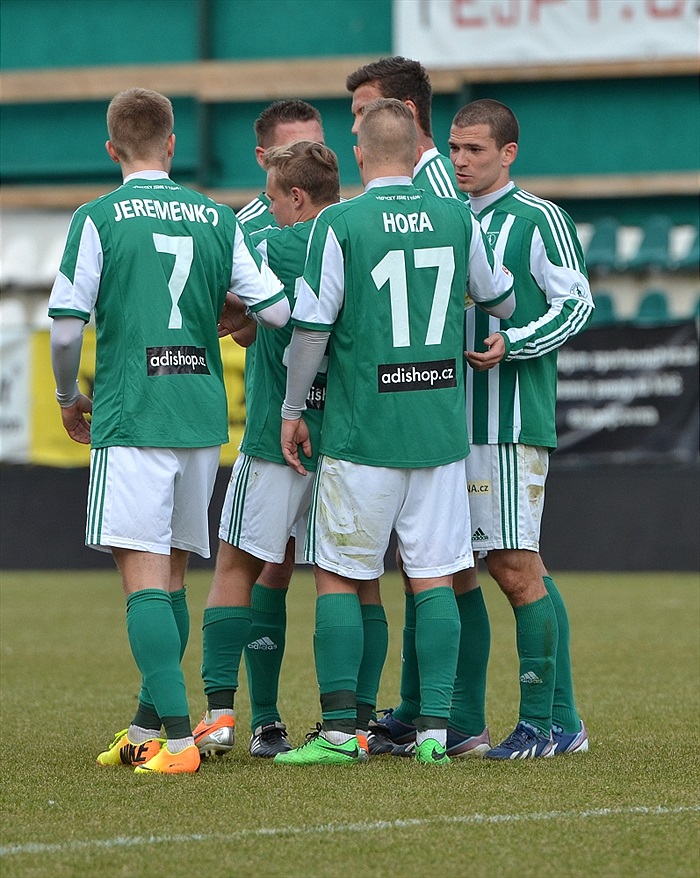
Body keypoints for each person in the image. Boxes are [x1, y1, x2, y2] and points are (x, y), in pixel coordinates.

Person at [48, 87, 289, 775]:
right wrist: (234, 313)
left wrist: (67, 395)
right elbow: (275, 310)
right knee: (174, 575)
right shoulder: (216, 217)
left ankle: (179, 742)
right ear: (173, 143)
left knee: (142, 577)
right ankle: (144, 729)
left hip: (134, 412)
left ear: (111, 148)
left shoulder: (99, 216)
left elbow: (65, 330)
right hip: (199, 415)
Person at [275, 98, 515, 767]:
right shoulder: (457, 216)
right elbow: (502, 298)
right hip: (438, 432)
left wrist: (292, 410)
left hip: (363, 433)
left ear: (359, 157)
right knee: (434, 576)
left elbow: (311, 332)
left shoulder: (340, 222)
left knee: (337, 575)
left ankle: (338, 733)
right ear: (417, 154)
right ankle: (435, 732)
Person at [389, 98, 593, 760]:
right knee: (449, 568)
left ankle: (544, 723)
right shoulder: (445, 216)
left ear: (508, 153)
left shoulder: (537, 218)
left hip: (505, 422)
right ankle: (468, 720)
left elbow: (576, 304)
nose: (461, 160)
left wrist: (516, 341)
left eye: (475, 149)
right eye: (454, 148)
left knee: (512, 563)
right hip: (444, 422)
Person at [192, 140, 387, 761]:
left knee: (236, 567)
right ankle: (356, 721)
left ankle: (221, 715)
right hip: (350, 437)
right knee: (357, 580)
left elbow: (227, 305)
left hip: (280, 436)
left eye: (274, 198)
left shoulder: (264, 245)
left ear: (297, 197)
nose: (269, 208)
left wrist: (237, 315)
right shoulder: (362, 240)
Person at [346, 56, 492, 758]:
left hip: (411, 414)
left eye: (363, 112)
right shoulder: (444, 196)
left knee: (453, 570)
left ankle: (459, 717)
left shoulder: (422, 189)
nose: (355, 127)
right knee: (434, 568)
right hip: (434, 408)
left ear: (401, 115)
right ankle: (424, 715)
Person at [235, 101, 329, 753]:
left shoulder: (343, 222)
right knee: (271, 563)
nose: (307, 158)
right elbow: (240, 327)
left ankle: (350, 718)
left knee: (345, 570)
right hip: (280, 423)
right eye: (291, 149)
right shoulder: (248, 226)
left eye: (317, 146)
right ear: (264, 159)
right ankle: (265, 718)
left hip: (340, 428)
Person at [346, 56, 466, 202]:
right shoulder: (382, 189)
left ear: (407, 110)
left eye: (366, 111)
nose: (355, 128)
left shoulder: (445, 193)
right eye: (355, 115)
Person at [236, 100, 325, 233]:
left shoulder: (346, 215)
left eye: (318, 149)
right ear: (263, 157)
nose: (311, 159)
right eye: (295, 150)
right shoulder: (241, 232)